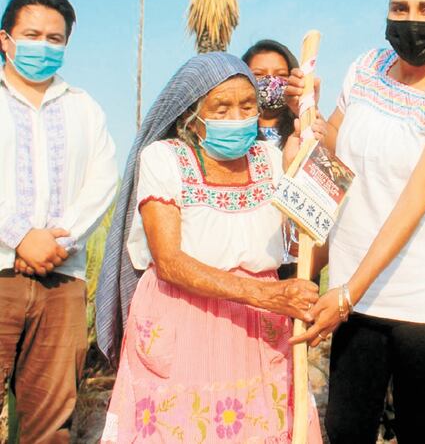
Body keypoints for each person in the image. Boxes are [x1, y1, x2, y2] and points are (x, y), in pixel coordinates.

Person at [289, 0, 425, 443]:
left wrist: (346, 292)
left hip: (418, 296)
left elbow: (412, 204)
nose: (411, 21)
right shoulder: (367, 67)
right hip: (354, 285)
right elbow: (335, 148)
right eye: (399, 8)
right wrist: (308, 120)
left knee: (418, 430)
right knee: (346, 428)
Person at [95, 52, 323, 443]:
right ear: (191, 116)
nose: (237, 117)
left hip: (258, 327)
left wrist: (307, 173)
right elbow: (168, 262)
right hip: (184, 318)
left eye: (247, 106)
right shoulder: (164, 159)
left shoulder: (271, 158)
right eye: (222, 107)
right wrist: (265, 293)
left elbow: (302, 250)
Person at [0, 0, 117, 442]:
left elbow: (102, 182)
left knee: (49, 423)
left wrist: (56, 243)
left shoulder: (84, 108)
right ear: (5, 40)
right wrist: (18, 236)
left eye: (55, 39)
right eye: (32, 34)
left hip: (61, 280)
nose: (43, 47)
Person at [242, 38, 299, 148]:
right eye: (258, 74)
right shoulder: (233, 132)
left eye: (281, 74)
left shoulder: (304, 128)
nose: (271, 80)